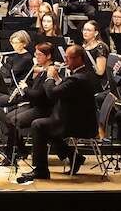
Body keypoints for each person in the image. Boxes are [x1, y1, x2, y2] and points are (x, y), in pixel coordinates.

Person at [17, 45, 96, 183]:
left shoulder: (78, 78)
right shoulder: (81, 74)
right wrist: (57, 78)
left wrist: (49, 78)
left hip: (78, 123)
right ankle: (74, 157)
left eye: (68, 58)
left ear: (79, 59)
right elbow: (64, 89)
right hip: (73, 118)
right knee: (46, 126)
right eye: (65, 57)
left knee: (38, 125)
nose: (65, 60)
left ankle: (41, 170)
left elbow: (52, 94)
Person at [0, 42, 55, 166]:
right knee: (9, 118)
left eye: (39, 55)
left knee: (13, 120)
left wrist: (26, 88)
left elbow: (40, 95)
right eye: (35, 54)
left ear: (48, 56)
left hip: (43, 108)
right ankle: (19, 150)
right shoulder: (41, 69)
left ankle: (12, 156)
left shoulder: (50, 71)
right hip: (34, 104)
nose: (36, 57)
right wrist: (23, 90)